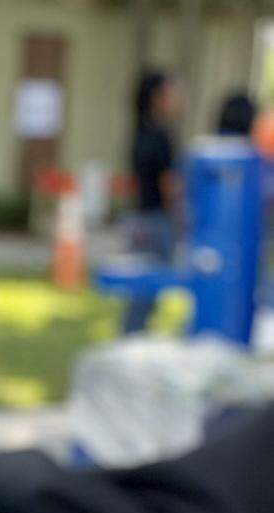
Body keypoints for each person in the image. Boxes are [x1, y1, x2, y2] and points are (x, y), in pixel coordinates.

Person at [123, 69, 183, 333]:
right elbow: (168, 185)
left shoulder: (139, 133)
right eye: (170, 91)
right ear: (157, 97)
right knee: (146, 294)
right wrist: (183, 217)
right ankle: (130, 348)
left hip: (139, 220)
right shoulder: (160, 136)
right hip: (157, 221)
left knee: (140, 294)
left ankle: (131, 342)